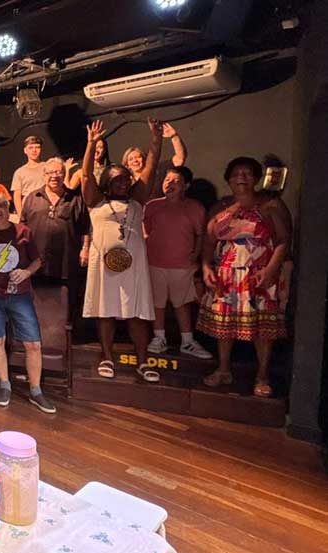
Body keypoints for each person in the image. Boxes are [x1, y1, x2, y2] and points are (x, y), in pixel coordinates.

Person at [198, 157, 289, 397]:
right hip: (226, 273)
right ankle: (224, 369)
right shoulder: (220, 207)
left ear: (257, 178)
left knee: (262, 327)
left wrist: (271, 270)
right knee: (224, 325)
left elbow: (283, 241)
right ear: (228, 178)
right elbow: (208, 241)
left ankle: (262, 375)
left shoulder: (270, 204)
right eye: (236, 173)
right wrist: (206, 266)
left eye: (247, 173)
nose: (241, 177)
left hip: (260, 272)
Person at [80, 119, 163, 383]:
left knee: (136, 314)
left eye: (126, 179)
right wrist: (91, 144)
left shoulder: (138, 199)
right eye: (117, 179)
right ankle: (107, 357)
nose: (123, 183)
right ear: (106, 182)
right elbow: (85, 176)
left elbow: (150, 169)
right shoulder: (96, 201)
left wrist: (156, 140)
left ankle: (142, 361)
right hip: (104, 264)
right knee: (106, 311)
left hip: (133, 264)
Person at [0, 193, 56, 413]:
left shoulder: (23, 231)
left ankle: (36, 391)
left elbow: (38, 259)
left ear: (7, 207)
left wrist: (26, 272)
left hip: (20, 294)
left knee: (33, 343)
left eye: (0, 205)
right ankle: (4, 385)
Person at [143, 166, 212, 359]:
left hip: (182, 265)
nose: (169, 184)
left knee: (181, 304)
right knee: (157, 303)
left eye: (175, 181)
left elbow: (200, 235)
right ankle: (159, 338)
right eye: (167, 179)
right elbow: (145, 229)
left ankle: (187, 341)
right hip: (155, 263)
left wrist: (196, 255)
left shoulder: (194, 208)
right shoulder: (152, 205)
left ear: (186, 186)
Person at [19, 157, 91, 287]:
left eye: (58, 172)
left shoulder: (76, 199)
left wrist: (85, 249)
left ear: (64, 174)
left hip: (66, 263)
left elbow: (85, 228)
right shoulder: (32, 198)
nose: (54, 176)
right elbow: (22, 227)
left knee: (67, 301)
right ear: (44, 175)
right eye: (50, 173)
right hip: (36, 264)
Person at [124, 122, 187, 199]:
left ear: (145, 159)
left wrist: (174, 136)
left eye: (138, 157)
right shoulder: (124, 181)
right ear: (127, 165)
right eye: (131, 159)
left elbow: (180, 158)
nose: (135, 160)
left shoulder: (158, 170)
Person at [11, 135, 46, 215]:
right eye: (31, 148)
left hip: (46, 207)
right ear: (25, 150)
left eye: (37, 147)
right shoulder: (19, 172)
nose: (34, 150)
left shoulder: (47, 167)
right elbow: (17, 196)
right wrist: (20, 215)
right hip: (29, 209)